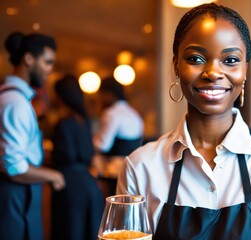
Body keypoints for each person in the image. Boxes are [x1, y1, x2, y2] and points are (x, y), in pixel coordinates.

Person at [117, 3, 251, 239]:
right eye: (195, 58)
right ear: (176, 66)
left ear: (245, 69)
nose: (212, 72)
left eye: (231, 60)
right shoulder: (140, 167)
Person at [0, 32, 65, 239]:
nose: (49, 69)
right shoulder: (15, 102)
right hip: (14, 193)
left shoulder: (14, 97)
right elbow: (13, 167)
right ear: (28, 59)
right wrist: (53, 175)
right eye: (47, 62)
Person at [50, 75, 104, 240]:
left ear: (60, 96)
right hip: (89, 183)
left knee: (69, 231)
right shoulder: (83, 120)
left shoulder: (63, 123)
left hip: (69, 184)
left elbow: (66, 155)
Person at [93, 76, 144, 157]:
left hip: (115, 165)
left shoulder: (111, 114)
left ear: (108, 94)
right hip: (133, 162)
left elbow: (103, 145)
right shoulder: (134, 113)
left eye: (101, 94)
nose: (99, 99)